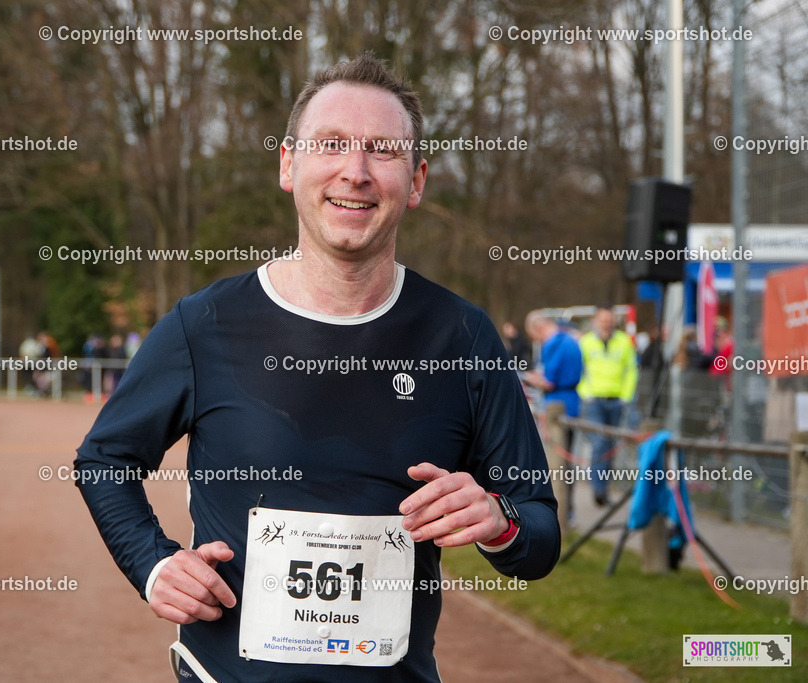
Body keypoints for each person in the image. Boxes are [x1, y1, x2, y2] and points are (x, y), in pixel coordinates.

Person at [75, 53, 559, 682]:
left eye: (382, 150)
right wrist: (154, 564)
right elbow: (104, 458)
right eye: (331, 144)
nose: (354, 172)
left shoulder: (462, 335)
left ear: (416, 182)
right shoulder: (207, 325)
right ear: (288, 164)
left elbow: (539, 530)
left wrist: (500, 521)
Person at [522, 311, 582, 518]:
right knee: (566, 461)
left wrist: (526, 378)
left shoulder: (553, 344)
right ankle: (569, 512)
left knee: (556, 462)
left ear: (538, 329)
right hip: (573, 404)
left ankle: (560, 513)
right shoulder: (571, 341)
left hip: (556, 408)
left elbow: (549, 381)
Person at [577, 305, 637, 506]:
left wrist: (626, 396)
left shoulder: (624, 342)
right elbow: (580, 370)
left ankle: (604, 488)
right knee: (599, 442)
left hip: (616, 400)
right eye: (603, 319)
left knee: (611, 447)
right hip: (594, 401)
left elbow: (631, 370)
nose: (606, 323)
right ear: (596, 321)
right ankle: (598, 488)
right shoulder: (586, 342)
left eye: (609, 319)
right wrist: (586, 394)